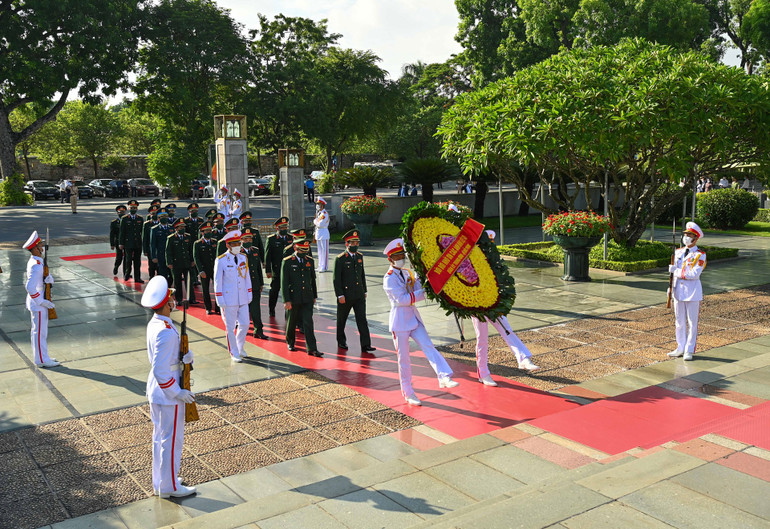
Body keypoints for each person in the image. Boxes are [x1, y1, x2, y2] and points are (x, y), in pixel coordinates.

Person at [140, 275, 196, 499]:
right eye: (171, 298)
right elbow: (160, 369)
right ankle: (170, 487)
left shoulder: (157, 323)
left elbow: (164, 361)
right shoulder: (164, 330)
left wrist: (185, 358)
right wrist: (177, 392)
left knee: (160, 438)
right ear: (166, 303)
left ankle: (162, 480)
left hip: (158, 391)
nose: (174, 300)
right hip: (167, 394)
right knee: (171, 441)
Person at [383, 238, 457, 406]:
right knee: (404, 359)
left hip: (413, 317)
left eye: (402, 255)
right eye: (397, 257)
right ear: (390, 259)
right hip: (400, 320)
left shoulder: (407, 272)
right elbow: (402, 299)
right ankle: (408, 393)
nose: (401, 259)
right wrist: (423, 293)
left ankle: (443, 376)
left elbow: (416, 287)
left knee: (428, 345)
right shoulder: (388, 278)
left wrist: (421, 277)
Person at [470, 231, 539, 386]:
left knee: (507, 329)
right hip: (477, 306)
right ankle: (483, 373)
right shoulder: (471, 262)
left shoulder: (494, 262)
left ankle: (523, 359)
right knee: (482, 340)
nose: (489, 249)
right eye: (486, 245)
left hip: (494, 303)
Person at [667, 222, 706, 361]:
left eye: (689, 235)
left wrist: (676, 271)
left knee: (692, 322)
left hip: (692, 293)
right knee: (679, 322)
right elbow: (673, 275)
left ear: (695, 238)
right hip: (678, 292)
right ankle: (680, 347)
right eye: (685, 235)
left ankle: (689, 349)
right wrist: (670, 288)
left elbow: (694, 274)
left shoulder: (700, 255)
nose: (686, 237)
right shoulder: (678, 252)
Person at [23, 231, 60, 368]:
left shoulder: (37, 262)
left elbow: (39, 281)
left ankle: (42, 357)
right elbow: (30, 287)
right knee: (39, 333)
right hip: (38, 303)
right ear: (35, 248)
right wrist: (41, 301)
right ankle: (42, 360)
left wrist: (49, 280)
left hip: (38, 301)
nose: (43, 247)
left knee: (39, 332)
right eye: (41, 245)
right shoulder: (36, 265)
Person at [213, 230, 252, 362]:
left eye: (238, 243)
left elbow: (247, 277)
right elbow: (218, 281)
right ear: (228, 245)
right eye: (234, 243)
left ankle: (240, 347)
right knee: (230, 327)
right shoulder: (221, 260)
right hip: (228, 299)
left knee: (245, 324)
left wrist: (249, 293)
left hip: (242, 297)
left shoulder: (243, 257)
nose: (237, 246)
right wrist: (219, 299)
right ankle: (233, 351)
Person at [333, 230, 374, 353]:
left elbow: (362, 275)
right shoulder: (340, 259)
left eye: (357, 242)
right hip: (345, 295)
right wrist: (340, 294)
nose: (356, 245)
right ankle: (341, 341)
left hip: (359, 294)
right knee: (342, 319)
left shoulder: (359, 256)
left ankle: (366, 344)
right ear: (347, 244)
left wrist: (364, 290)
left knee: (362, 319)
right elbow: (336, 279)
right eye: (353, 243)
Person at [282, 237, 321, 356]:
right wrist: (286, 300)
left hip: (307, 297)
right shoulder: (288, 261)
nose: (304, 253)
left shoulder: (309, 260)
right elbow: (284, 282)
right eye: (301, 250)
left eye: (306, 250)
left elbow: (312, 279)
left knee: (308, 322)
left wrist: (314, 295)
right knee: (292, 321)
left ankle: (312, 348)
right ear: (295, 248)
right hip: (294, 297)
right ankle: (290, 342)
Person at [241, 228, 267, 339]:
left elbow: (258, 269)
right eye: (246, 239)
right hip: (242, 286)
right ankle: (242, 329)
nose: (248, 240)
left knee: (256, 308)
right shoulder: (238, 252)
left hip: (254, 284)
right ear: (241, 240)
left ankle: (258, 330)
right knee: (242, 309)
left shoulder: (255, 250)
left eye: (250, 238)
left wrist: (261, 283)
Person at [265, 217, 293, 317]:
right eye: (282, 227)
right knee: (274, 291)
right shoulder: (271, 239)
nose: (284, 229)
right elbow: (267, 256)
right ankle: (271, 309)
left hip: (289, 271)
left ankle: (288, 311)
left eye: (286, 227)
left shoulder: (291, 238)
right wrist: (268, 270)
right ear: (277, 228)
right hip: (277, 270)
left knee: (289, 291)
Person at [166, 219, 196, 306]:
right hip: (176, 263)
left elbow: (190, 250)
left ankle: (191, 298)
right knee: (177, 282)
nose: (182, 229)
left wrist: (192, 260)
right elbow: (168, 251)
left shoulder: (188, 236)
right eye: (180, 227)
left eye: (183, 227)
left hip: (187, 263)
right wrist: (169, 262)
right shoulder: (171, 238)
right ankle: (179, 299)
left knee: (189, 281)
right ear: (176, 228)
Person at [193, 221, 218, 315]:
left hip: (214, 269)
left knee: (217, 289)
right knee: (205, 290)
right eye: (207, 230)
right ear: (202, 232)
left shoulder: (215, 242)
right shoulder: (198, 243)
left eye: (210, 230)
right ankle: (208, 308)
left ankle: (218, 307)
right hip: (204, 270)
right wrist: (200, 270)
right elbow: (197, 258)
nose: (209, 232)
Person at [119, 199, 144, 283]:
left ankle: (137, 277)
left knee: (137, 261)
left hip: (137, 243)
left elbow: (142, 232)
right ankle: (127, 274)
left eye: (135, 207)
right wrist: (121, 243)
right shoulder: (125, 218)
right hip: (128, 243)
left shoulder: (140, 218)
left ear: (137, 209)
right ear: (129, 208)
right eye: (131, 207)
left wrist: (143, 243)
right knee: (128, 260)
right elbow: (122, 232)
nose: (133, 209)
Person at [150, 209, 174, 282]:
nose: (164, 218)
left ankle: (169, 287)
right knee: (162, 275)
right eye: (162, 217)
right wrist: (154, 256)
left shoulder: (172, 228)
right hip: (161, 255)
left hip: (171, 255)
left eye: (165, 216)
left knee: (172, 275)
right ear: (158, 218)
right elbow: (152, 244)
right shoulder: (155, 229)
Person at [184, 203, 204, 286]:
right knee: (191, 261)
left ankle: (196, 277)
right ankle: (192, 278)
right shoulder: (186, 221)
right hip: (190, 244)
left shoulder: (200, 220)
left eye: (196, 211)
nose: (194, 212)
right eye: (192, 211)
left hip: (199, 243)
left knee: (198, 260)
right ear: (189, 212)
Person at [143, 205, 160, 279]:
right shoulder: (147, 224)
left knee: (160, 265)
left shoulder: (162, 223)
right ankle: (151, 277)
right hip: (151, 248)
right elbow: (145, 238)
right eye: (153, 213)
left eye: (156, 213)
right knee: (152, 265)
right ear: (150, 214)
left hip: (160, 248)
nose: (154, 215)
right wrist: (145, 250)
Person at [314, 197, 330, 272]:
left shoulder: (324, 214)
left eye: (318, 204)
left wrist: (315, 221)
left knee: (325, 251)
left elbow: (320, 224)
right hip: (318, 233)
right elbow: (317, 223)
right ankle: (320, 265)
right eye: (317, 204)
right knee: (319, 250)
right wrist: (316, 222)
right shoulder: (319, 213)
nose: (317, 205)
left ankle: (324, 266)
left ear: (322, 205)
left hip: (323, 233)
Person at [111, 205, 127, 276]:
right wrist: (112, 244)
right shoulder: (114, 222)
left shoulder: (127, 221)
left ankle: (126, 272)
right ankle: (116, 266)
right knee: (119, 257)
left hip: (127, 242)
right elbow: (112, 234)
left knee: (127, 258)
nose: (121, 214)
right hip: (118, 242)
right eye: (120, 212)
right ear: (117, 213)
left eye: (123, 212)